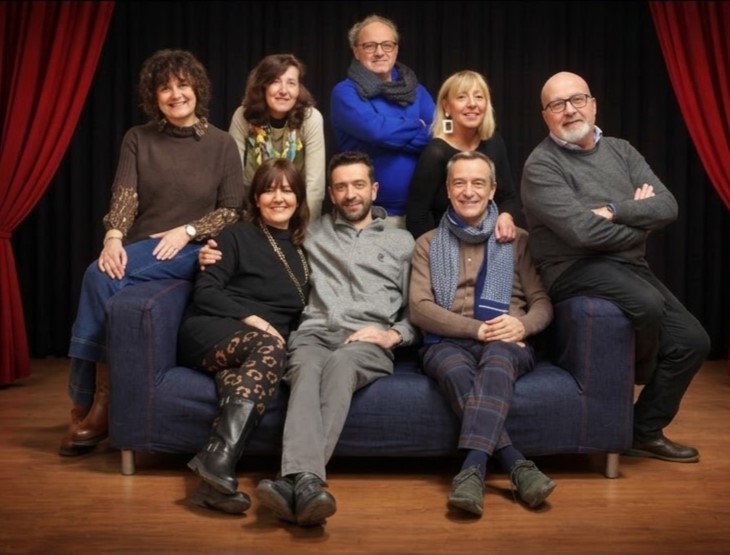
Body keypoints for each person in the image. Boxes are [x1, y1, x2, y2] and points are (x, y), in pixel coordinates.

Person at [59, 49, 245, 457]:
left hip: (193, 248)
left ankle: (91, 401)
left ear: (197, 89)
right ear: (154, 97)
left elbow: (233, 209)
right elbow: (125, 196)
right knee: (102, 275)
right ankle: (97, 401)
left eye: (183, 85)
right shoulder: (138, 138)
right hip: (144, 246)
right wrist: (113, 237)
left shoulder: (222, 144)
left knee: (97, 276)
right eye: (165, 88)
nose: (176, 94)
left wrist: (188, 230)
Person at [520, 71, 711, 463]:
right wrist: (641, 224)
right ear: (546, 116)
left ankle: (644, 429)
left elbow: (667, 206)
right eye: (557, 104)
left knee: (694, 341)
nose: (569, 110)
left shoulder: (622, 151)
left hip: (627, 265)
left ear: (593, 104)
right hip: (571, 269)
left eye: (577, 99)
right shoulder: (541, 165)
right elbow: (581, 233)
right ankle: (639, 370)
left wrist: (613, 210)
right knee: (646, 303)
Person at [252, 151, 418, 526]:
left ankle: (292, 480)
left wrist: (394, 334)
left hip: (367, 341)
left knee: (341, 362)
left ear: (374, 189)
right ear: (331, 193)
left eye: (358, 185)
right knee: (306, 369)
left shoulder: (402, 242)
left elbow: (418, 309)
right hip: (313, 333)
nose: (350, 194)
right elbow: (260, 235)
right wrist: (212, 250)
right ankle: (308, 487)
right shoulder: (310, 232)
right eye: (341, 187)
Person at [409, 151, 555, 516]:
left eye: (478, 183)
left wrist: (522, 325)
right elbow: (420, 308)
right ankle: (516, 463)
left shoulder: (516, 239)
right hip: (446, 342)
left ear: (492, 190)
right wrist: (477, 330)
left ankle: (472, 469)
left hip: (508, 339)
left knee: (498, 358)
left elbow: (542, 302)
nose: (468, 191)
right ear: (447, 189)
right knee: (454, 369)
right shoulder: (427, 243)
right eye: (459, 183)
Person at [178, 158, 310, 515]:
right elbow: (206, 291)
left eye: (287, 190)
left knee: (241, 380)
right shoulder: (235, 236)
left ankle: (214, 483)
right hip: (211, 329)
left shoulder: (303, 250)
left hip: (257, 350)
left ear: (299, 198)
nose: (278, 198)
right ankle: (216, 462)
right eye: (269, 190)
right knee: (269, 346)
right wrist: (257, 322)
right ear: (255, 199)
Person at [330, 14, 435, 228]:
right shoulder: (345, 92)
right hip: (368, 216)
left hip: (420, 214)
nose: (379, 52)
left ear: (395, 49)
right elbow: (377, 131)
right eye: (370, 46)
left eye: (387, 45)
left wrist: (388, 132)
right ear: (356, 52)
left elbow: (437, 135)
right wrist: (417, 124)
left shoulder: (417, 91)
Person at [406, 70, 524, 240]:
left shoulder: (494, 142)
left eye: (479, 97)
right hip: (446, 243)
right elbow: (417, 218)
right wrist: (437, 250)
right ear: (446, 107)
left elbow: (508, 198)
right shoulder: (435, 153)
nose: (472, 104)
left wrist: (506, 216)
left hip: (491, 240)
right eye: (462, 97)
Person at [228, 53, 326, 220]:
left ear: (299, 89)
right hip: (252, 208)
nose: (283, 91)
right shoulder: (243, 115)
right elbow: (233, 177)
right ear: (262, 86)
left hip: (295, 209)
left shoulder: (310, 118)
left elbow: (315, 185)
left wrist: (306, 228)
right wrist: (243, 223)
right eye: (275, 82)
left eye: (291, 83)